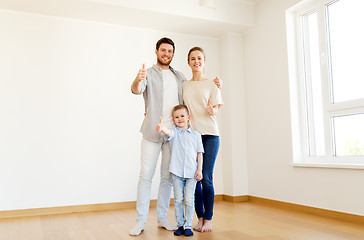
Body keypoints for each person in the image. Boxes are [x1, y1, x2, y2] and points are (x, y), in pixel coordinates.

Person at [130, 38, 221, 236]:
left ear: (173, 54)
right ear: (156, 52)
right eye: (163, 50)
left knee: (167, 178)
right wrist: (138, 79)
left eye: (170, 51)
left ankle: (162, 218)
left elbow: (196, 89)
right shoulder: (149, 73)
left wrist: (216, 84)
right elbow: (136, 90)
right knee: (146, 176)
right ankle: (140, 221)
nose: (166, 54)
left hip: (174, 136)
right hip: (152, 131)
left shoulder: (179, 77)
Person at [182, 46, 223, 232]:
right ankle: (199, 217)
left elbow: (217, 107)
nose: (196, 61)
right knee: (195, 178)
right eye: (192, 59)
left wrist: (213, 110)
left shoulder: (213, 83)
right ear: (188, 62)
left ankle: (208, 219)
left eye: (199, 58)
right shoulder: (184, 85)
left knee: (206, 177)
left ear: (204, 61)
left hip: (211, 135)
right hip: (193, 136)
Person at [156, 104, 204, 237]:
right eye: (176, 117)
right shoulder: (174, 132)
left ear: (188, 117)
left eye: (182, 116)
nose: (180, 119)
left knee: (189, 200)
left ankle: (188, 225)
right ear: (173, 119)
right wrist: (162, 128)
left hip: (192, 173)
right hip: (176, 173)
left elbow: (200, 154)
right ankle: (180, 225)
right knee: (178, 199)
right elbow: (168, 133)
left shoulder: (196, 135)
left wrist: (199, 170)